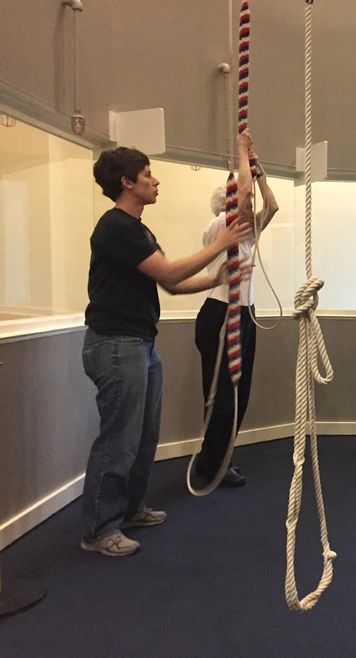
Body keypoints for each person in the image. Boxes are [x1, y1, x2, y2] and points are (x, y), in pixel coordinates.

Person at [81, 146, 252, 557]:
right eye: (148, 175)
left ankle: (130, 508)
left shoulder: (139, 230)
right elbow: (172, 272)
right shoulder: (116, 227)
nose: (156, 181)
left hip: (138, 342)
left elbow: (173, 285)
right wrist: (222, 244)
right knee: (119, 438)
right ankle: (99, 529)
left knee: (143, 435)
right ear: (127, 182)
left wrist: (219, 275)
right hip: (116, 344)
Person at [193, 132, 279, 487]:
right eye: (241, 204)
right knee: (222, 397)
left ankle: (219, 458)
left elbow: (272, 207)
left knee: (238, 394)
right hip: (219, 314)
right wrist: (243, 153)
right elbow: (242, 197)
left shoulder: (248, 234)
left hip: (242, 314)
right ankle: (210, 465)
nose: (248, 206)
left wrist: (259, 173)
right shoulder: (220, 227)